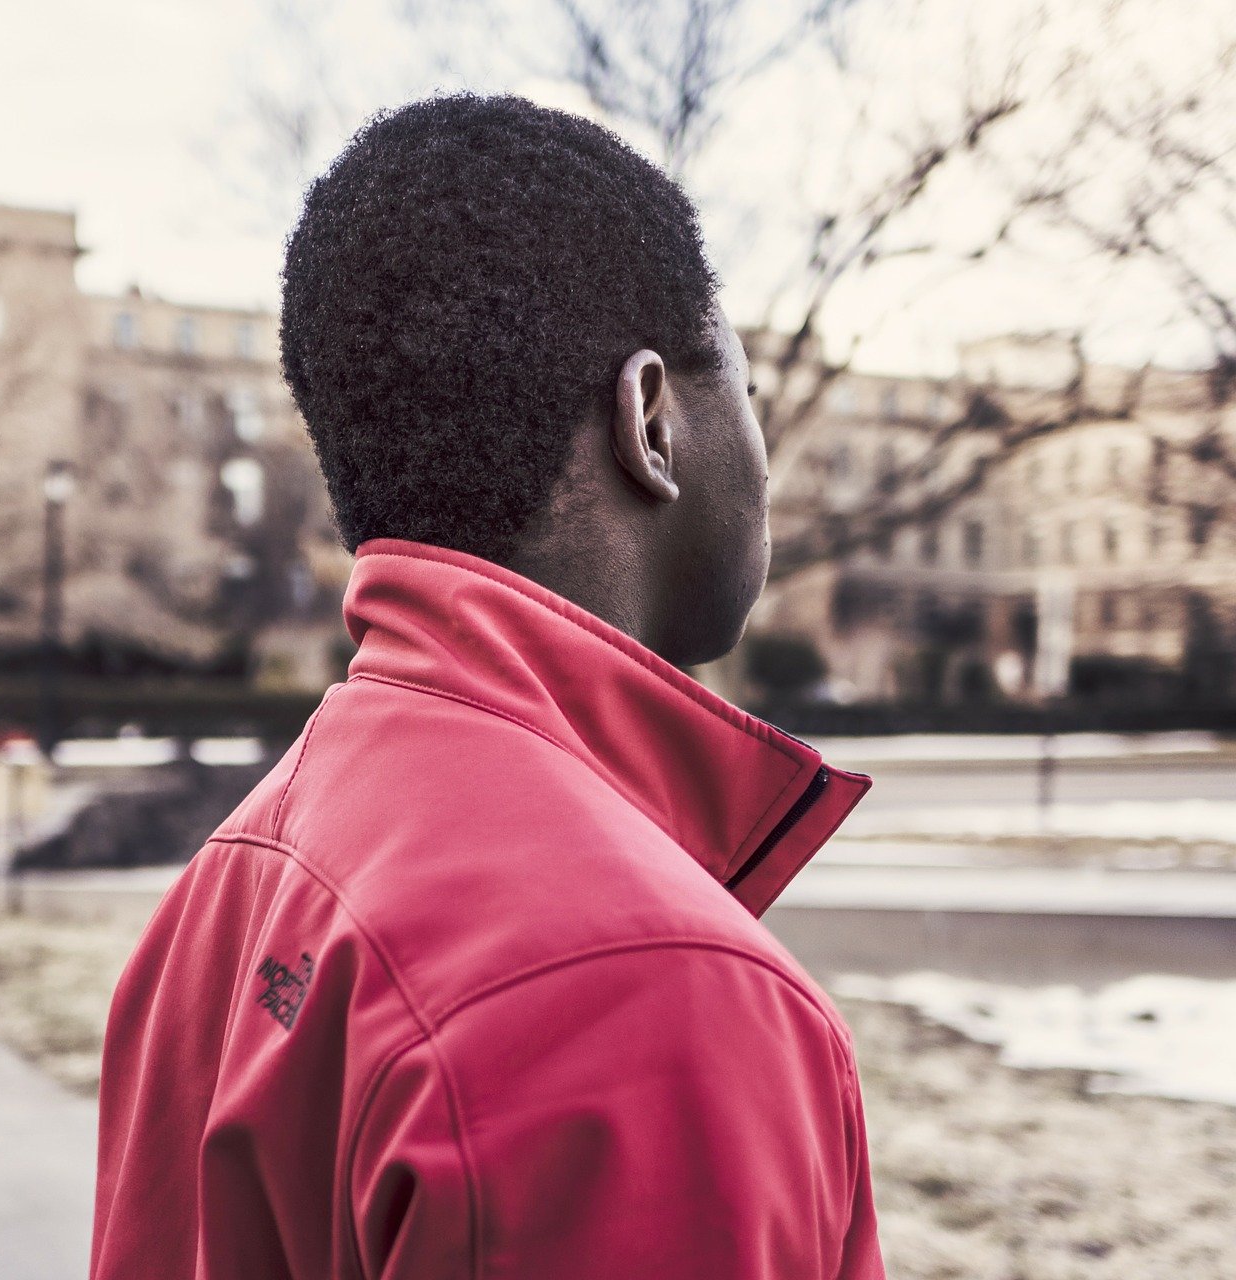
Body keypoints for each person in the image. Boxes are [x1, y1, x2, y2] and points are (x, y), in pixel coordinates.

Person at [92, 94, 882, 1279]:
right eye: (752, 397)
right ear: (652, 420)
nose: (765, 460)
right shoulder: (647, 988)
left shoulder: (228, 886)